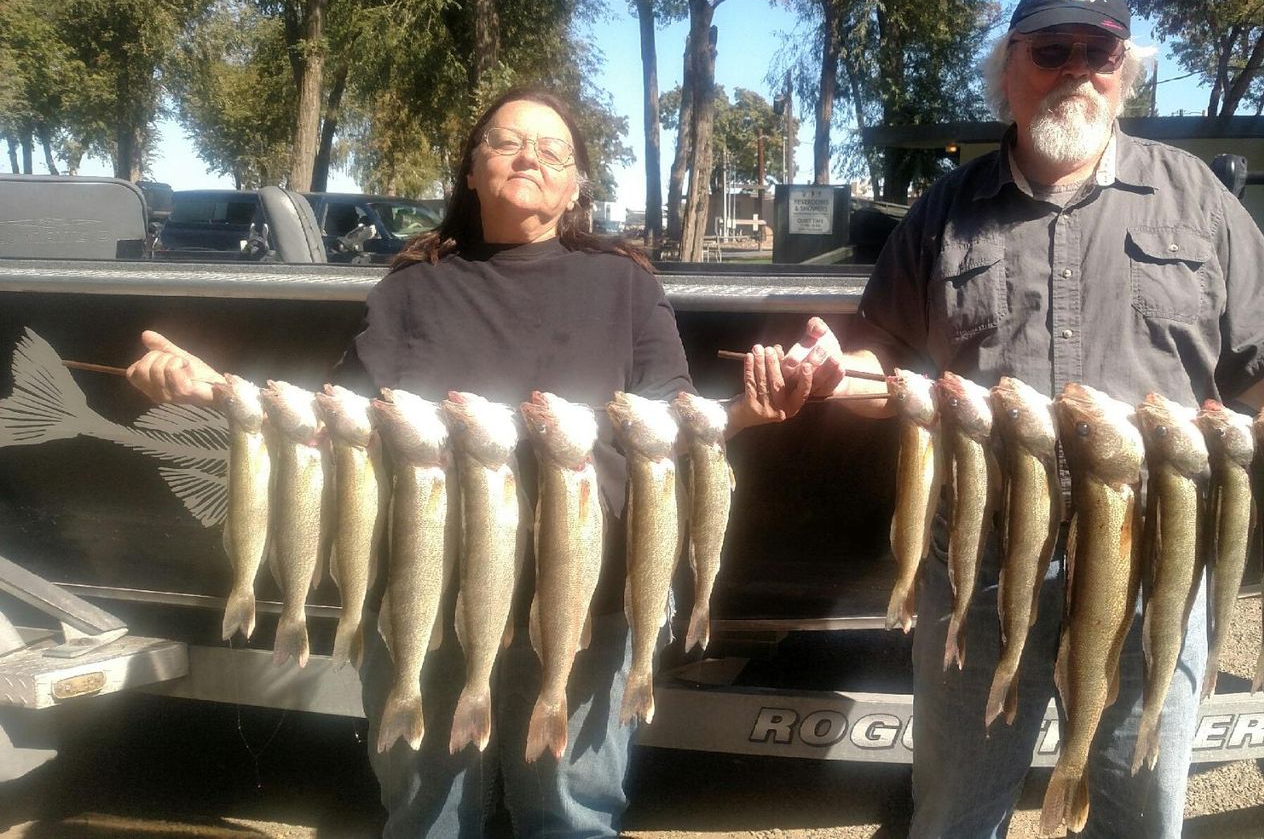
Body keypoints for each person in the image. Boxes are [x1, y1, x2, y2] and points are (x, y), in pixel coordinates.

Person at [767, 0, 1264, 838]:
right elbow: (883, 370)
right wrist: (828, 372)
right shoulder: (944, 212)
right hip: (985, 564)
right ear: (1010, 70)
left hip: (1158, 562)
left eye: (1098, 52)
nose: (1076, 69)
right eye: (1051, 50)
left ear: (1125, 70)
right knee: (955, 810)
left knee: (1142, 805)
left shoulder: (1196, 197)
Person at [126, 87, 805, 838]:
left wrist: (751, 410)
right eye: (507, 142)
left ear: (577, 184)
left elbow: (677, 423)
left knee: (573, 815)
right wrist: (211, 390)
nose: (529, 158)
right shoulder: (411, 286)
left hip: (587, 597)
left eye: (553, 151)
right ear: (472, 170)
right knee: (426, 815)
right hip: (423, 592)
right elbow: (332, 427)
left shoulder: (626, 285)